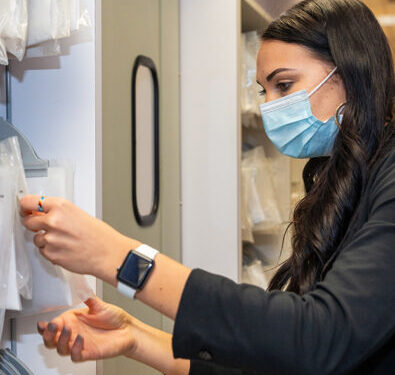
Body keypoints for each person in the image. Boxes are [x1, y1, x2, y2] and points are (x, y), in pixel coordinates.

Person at [20, 0, 394, 374]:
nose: (271, 109)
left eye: (284, 85)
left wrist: (119, 257)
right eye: (265, 92)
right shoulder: (347, 182)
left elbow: (318, 338)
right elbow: (282, 363)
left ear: (351, 72)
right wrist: (135, 337)